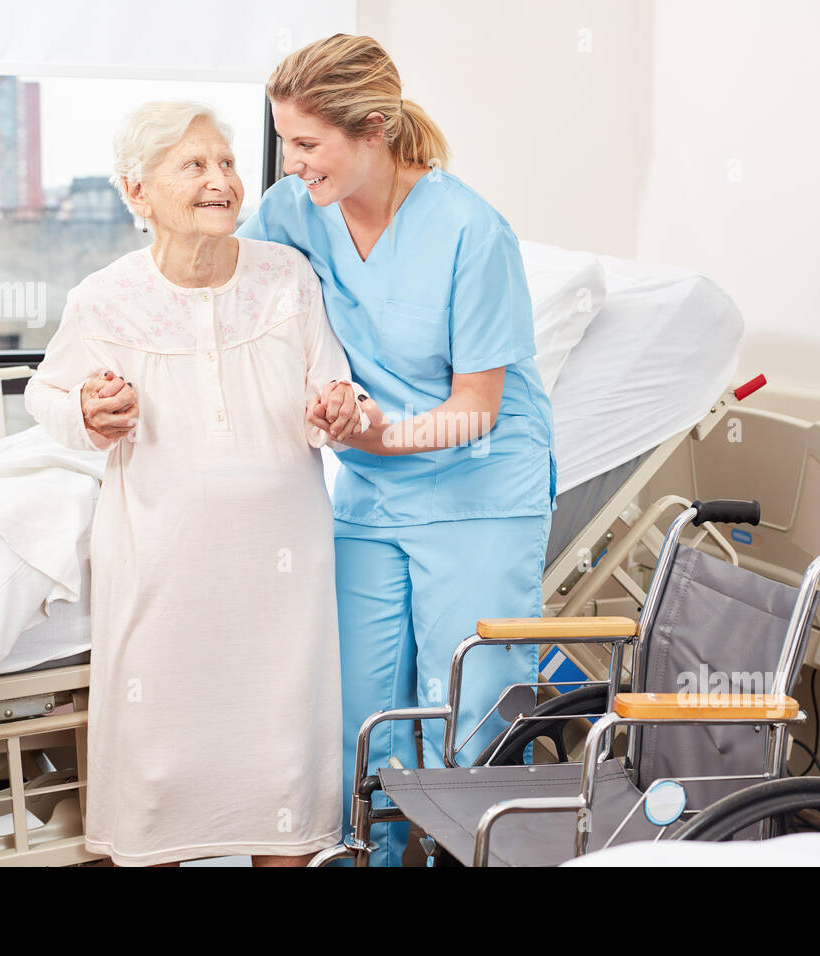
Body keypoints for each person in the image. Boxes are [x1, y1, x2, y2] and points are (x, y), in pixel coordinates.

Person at [238, 34, 557, 867]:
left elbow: (476, 409)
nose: (293, 163)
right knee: (361, 707)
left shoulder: (470, 231)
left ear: (374, 128)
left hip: (478, 486)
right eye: (284, 143)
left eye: (309, 144)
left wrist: (374, 433)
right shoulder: (289, 212)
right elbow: (230, 291)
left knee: (470, 709)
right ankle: (370, 859)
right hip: (372, 491)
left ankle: (474, 858)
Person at [24, 100, 365, 867]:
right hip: (161, 571)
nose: (222, 181)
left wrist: (335, 410)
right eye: (196, 166)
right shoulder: (103, 297)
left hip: (279, 576)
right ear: (137, 193)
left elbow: (332, 394)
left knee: (281, 760)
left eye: (228, 163)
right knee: (157, 768)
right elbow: (45, 397)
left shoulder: (286, 278)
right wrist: (85, 410)